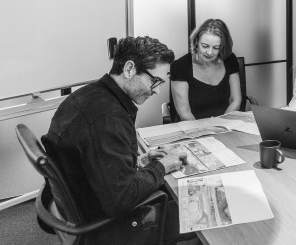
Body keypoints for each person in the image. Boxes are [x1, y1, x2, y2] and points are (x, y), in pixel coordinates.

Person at [42, 36, 189, 244]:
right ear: (129, 69)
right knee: (197, 208)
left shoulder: (88, 95)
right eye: (155, 81)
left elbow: (95, 159)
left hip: (86, 201)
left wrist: (141, 160)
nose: (156, 90)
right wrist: (162, 166)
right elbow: (121, 200)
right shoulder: (108, 119)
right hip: (107, 227)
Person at [170, 18, 241, 120]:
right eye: (205, 46)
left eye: (216, 48)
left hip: (226, 122)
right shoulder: (180, 66)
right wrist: (206, 129)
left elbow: (235, 100)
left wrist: (223, 125)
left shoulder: (229, 60)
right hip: (192, 125)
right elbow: (185, 113)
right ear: (196, 42)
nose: (210, 52)